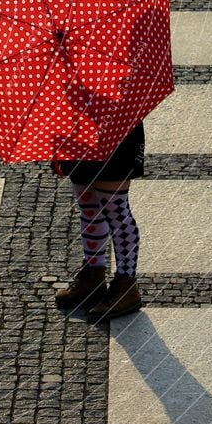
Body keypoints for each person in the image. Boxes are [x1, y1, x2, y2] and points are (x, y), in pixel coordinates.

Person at [50, 121, 145, 321]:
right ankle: (93, 275)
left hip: (114, 129)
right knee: (88, 206)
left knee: (116, 211)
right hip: (75, 128)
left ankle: (127, 285)